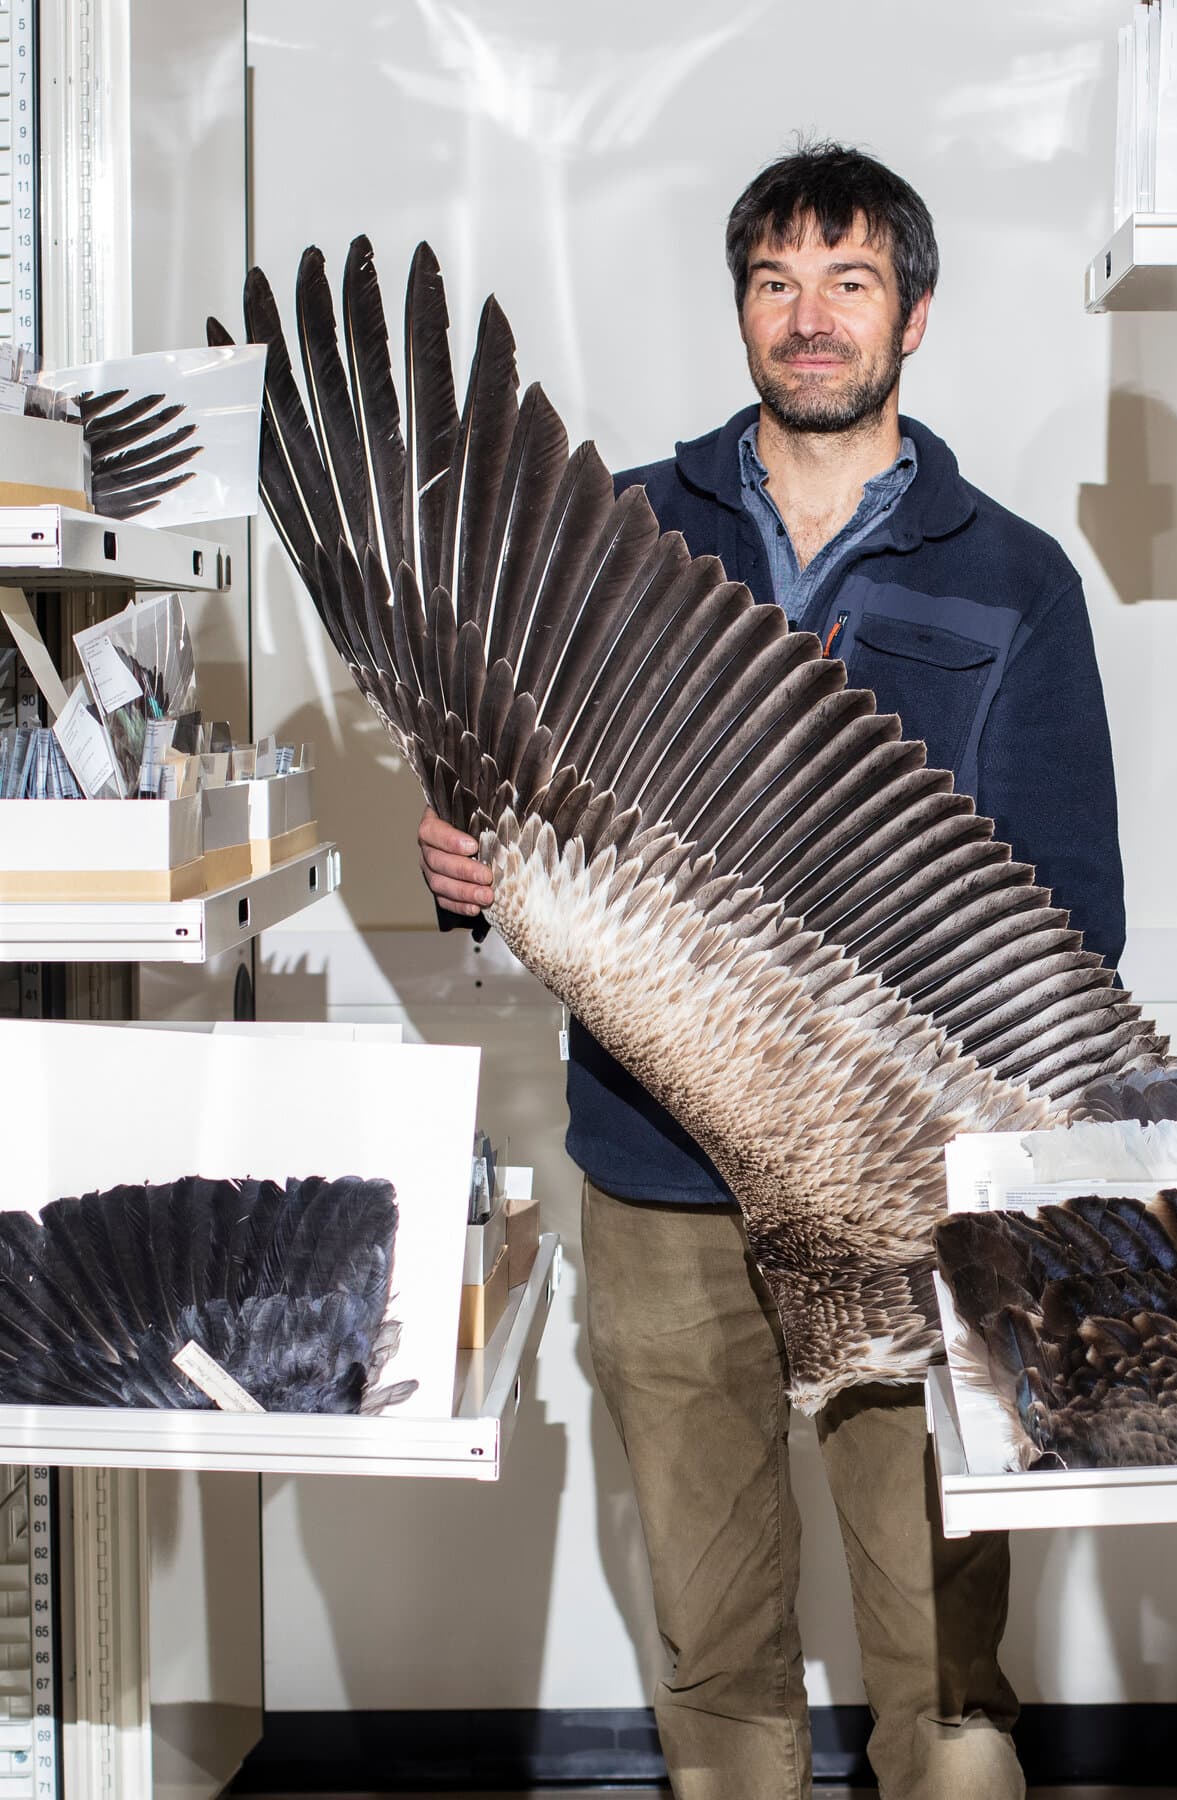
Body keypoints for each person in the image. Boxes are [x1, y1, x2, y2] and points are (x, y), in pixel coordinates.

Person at [420, 142, 1126, 1800]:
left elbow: (1064, 919)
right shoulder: (617, 537)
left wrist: (939, 1136)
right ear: (742, 306)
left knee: (940, 1646)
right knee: (714, 1636)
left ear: (916, 315)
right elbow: (497, 804)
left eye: (850, 281)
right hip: (656, 1179)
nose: (810, 321)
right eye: (776, 282)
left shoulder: (1008, 578)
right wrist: (462, 877)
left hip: (912, 1204)